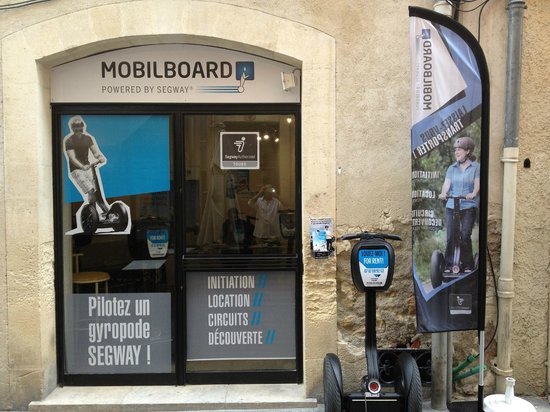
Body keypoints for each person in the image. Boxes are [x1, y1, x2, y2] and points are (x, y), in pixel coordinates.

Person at [438, 136, 480, 274]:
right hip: (452, 205)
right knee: (451, 236)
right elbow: (447, 184)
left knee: (465, 235)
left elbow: (477, 184)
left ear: (468, 151)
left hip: (468, 206)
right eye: (455, 150)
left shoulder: (476, 167)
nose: (456, 152)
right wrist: (443, 193)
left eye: (459, 149)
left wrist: (473, 193)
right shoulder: (452, 168)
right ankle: (449, 265)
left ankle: (467, 264)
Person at [64, 116, 109, 217]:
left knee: (96, 191)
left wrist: (100, 157)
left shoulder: (88, 138)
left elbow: (95, 152)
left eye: (80, 126)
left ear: (83, 127)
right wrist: (81, 166)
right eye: (76, 127)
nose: (78, 129)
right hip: (76, 170)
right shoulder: (69, 141)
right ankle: (93, 214)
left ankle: (104, 212)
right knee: (91, 190)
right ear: (72, 128)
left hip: (88, 168)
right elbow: (72, 158)